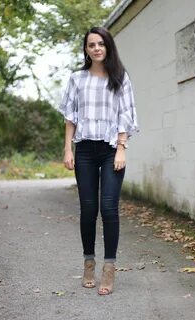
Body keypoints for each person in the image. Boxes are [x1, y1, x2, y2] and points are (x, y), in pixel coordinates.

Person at [58, 26, 139, 295]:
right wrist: (68, 149)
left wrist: (121, 148)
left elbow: (126, 116)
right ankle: (89, 262)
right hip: (85, 151)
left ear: (108, 47)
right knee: (88, 210)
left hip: (110, 149)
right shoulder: (76, 79)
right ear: (86, 49)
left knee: (109, 208)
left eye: (101, 44)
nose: (97, 48)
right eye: (91, 44)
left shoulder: (120, 78)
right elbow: (70, 116)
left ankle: (110, 268)